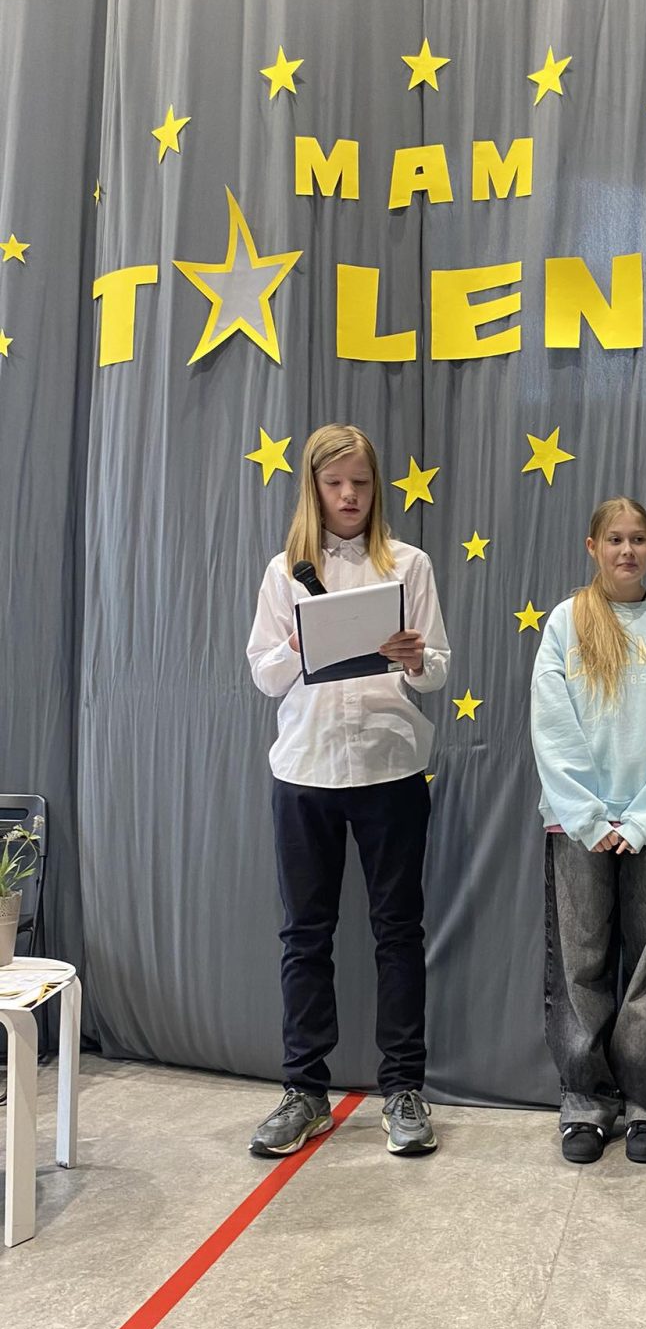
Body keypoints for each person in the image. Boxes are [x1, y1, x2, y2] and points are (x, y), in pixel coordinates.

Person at [246, 423, 450, 1159]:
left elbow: (438, 671)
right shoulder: (284, 571)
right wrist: (298, 644)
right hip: (305, 771)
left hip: (390, 768)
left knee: (399, 933)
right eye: (335, 484)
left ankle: (404, 1090)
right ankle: (304, 1091)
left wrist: (415, 657)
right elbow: (264, 675)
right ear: (314, 488)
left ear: (376, 487)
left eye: (361, 483)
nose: (349, 496)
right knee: (305, 936)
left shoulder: (408, 564)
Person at [531, 497, 646, 1166]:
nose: (627, 551)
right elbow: (551, 725)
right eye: (614, 539)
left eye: (638, 539)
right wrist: (589, 817)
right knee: (580, 965)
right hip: (577, 825)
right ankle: (584, 1105)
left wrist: (642, 819)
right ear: (593, 547)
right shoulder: (566, 621)